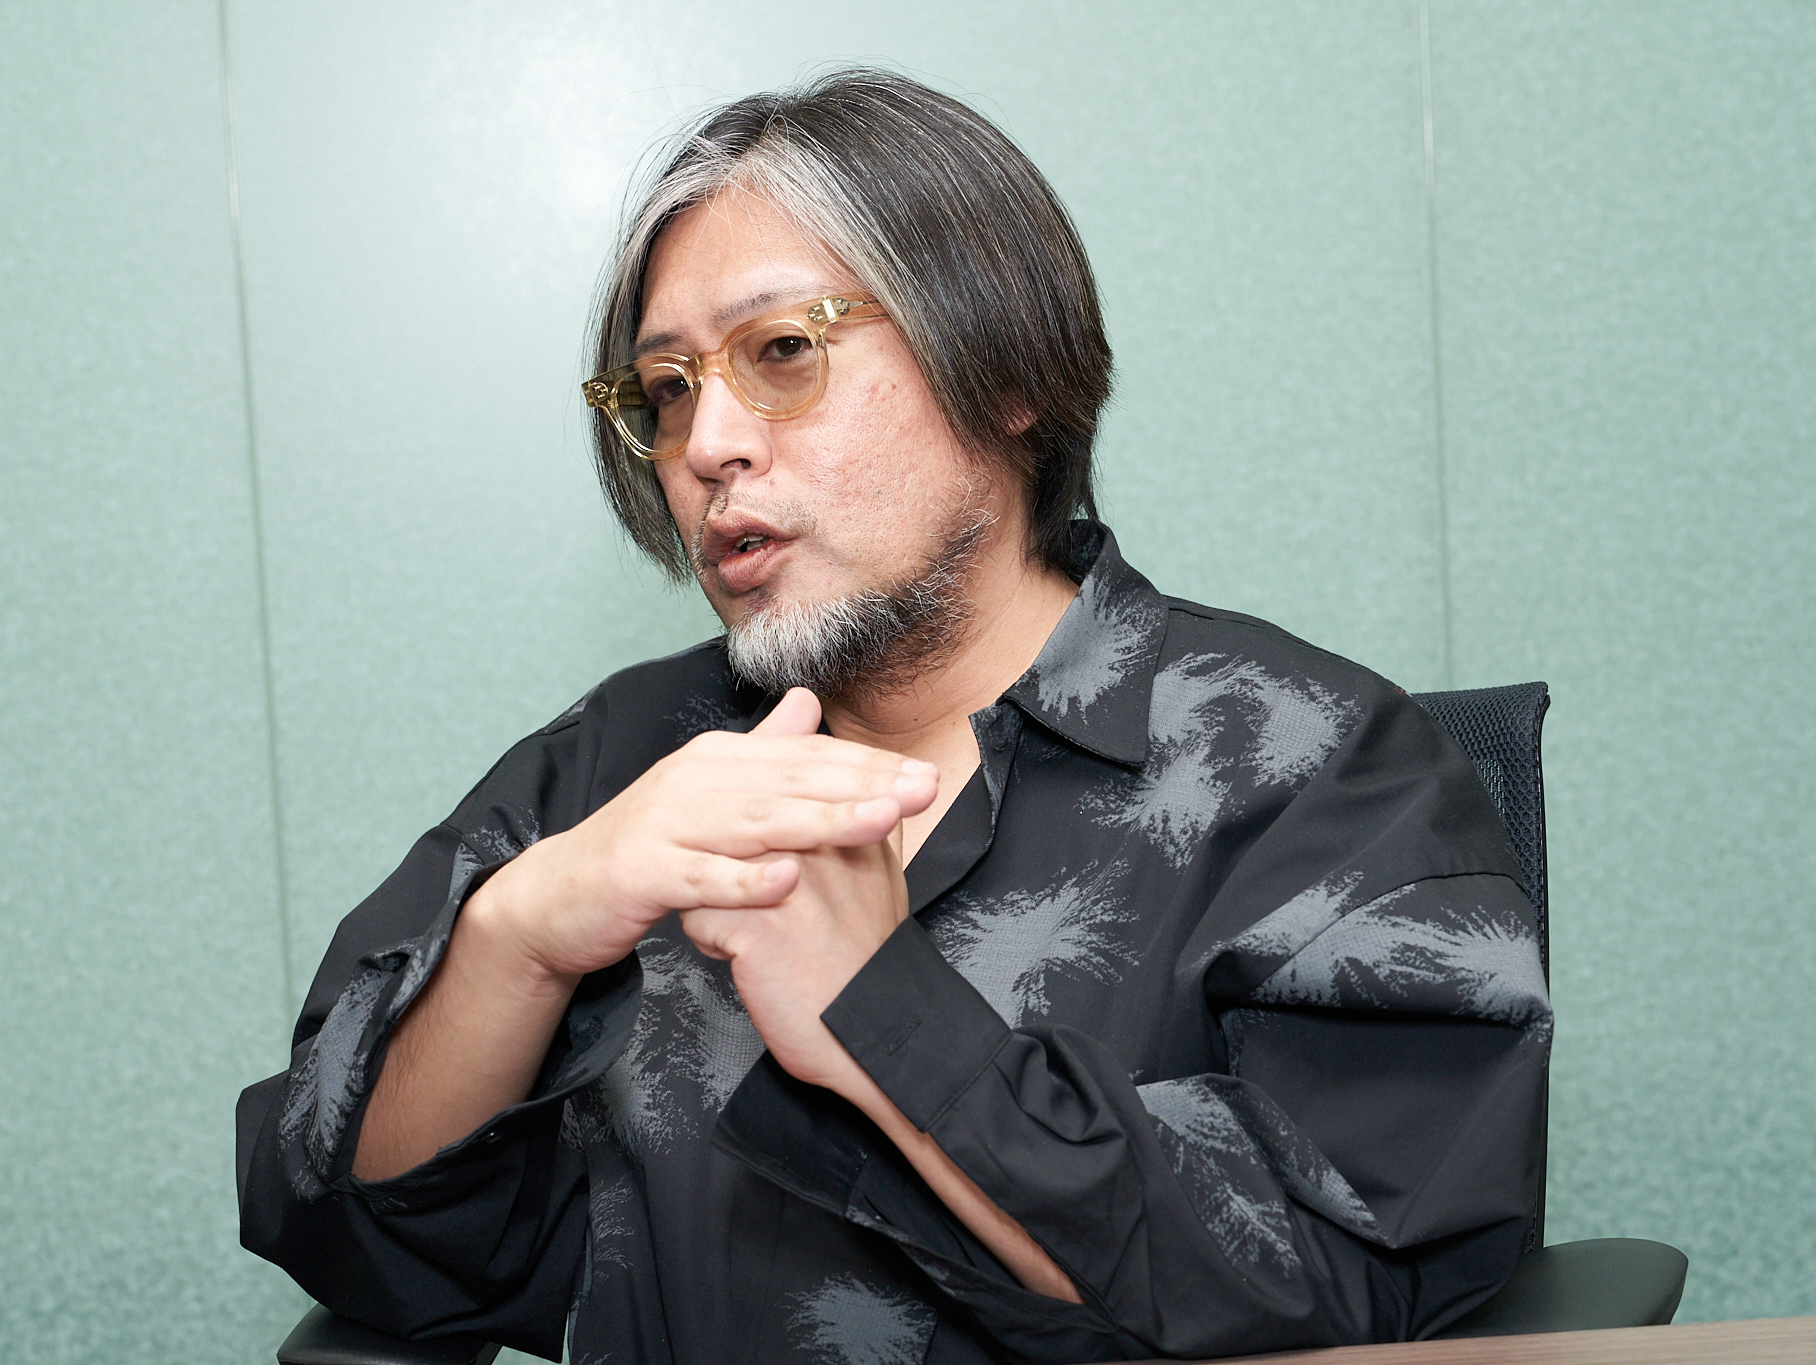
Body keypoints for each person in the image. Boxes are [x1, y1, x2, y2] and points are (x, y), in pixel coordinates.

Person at [237, 69, 1550, 1365]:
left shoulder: (1320, 768)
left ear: (1008, 371)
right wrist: (520, 937)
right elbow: (342, 1223)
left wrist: (885, 1019)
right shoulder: (617, 762)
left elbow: (1360, 1262)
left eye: (782, 351)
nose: (708, 443)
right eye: (669, 388)